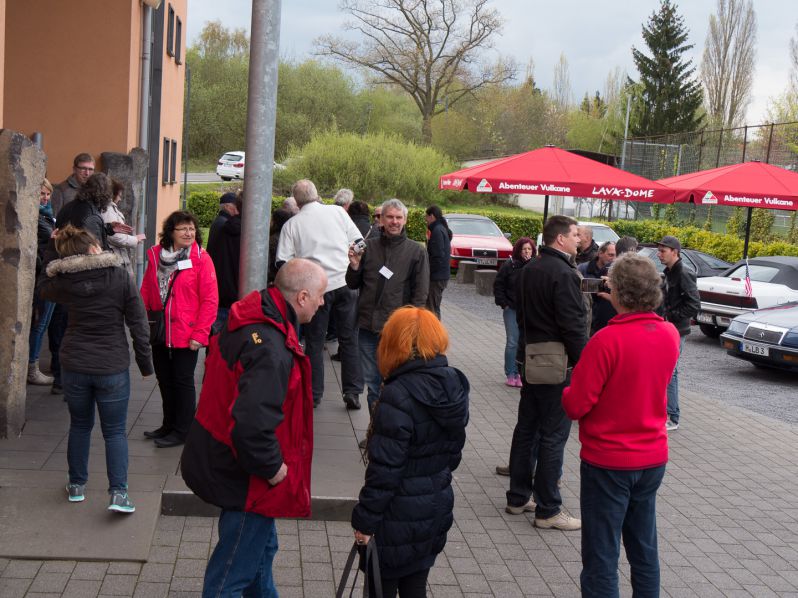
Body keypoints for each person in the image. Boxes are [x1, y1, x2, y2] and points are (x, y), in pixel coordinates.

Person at [181, 258, 327, 598]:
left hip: (226, 461)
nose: (323, 302)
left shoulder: (253, 318)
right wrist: (273, 469)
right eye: (320, 295)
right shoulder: (271, 349)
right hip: (248, 478)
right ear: (302, 297)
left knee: (260, 553)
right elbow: (251, 425)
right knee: (231, 574)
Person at [562, 253, 680, 597]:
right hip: (652, 457)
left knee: (601, 553)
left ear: (619, 292)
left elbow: (576, 404)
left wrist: (567, 388)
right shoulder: (669, 334)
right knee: (644, 548)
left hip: (608, 461)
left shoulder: (605, 342)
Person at [352, 306, 469, 598]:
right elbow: (453, 455)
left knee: (381, 587)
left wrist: (365, 522)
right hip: (434, 509)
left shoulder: (397, 393)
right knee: (416, 585)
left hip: (395, 517)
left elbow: (384, 471)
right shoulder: (454, 383)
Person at [39, 225, 153, 512]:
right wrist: (145, 363)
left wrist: (54, 250)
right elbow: (138, 322)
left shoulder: (64, 280)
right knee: (114, 431)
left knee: (79, 425)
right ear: (93, 247)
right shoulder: (119, 276)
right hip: (111, 365)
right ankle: (118, 494)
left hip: (75, 364)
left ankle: (76, 485)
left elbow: (42, 285)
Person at [505, 215, 585, 531]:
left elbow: (521, 316)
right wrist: (585, 362)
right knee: (553, 434)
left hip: (529, 356)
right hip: (556, 363)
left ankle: (518, 496)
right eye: (575, 234)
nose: (579, 239)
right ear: (560, 239)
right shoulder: (564, 273)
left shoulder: (529, 269)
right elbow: (573, 325)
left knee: (527, 429)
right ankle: (549, 509)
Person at [276, 179, 364, 410]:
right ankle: (352, 392)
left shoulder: (292, 225)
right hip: (345, 282)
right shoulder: (337, 212)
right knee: (349, 339)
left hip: (315, 289)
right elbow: (360, 243)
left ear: (296, 200)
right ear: (316, 194)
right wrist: (349, 258)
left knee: (315, 342)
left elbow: (282, 262)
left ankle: (314, 393)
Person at [140, 211, 218, 448]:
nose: (189, 233)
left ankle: (183, 430)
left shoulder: (201, 259)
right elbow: (146, 290)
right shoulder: (155, 256)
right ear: (170, 232)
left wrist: (200, 334)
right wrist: (142, 323)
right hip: (160, 330)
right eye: (183, 228)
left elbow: (210, 300)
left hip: (187, 332)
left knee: (183, 381)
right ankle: (168, 424)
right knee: (164, 379)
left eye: (192, 229)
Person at [346, 198, 430, 412]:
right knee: (373, 384)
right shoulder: (369, 247)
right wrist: (354, 266)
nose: (394, 221)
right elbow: (352, 283)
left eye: (398, 217)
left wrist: (413, 329)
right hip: (367, 327)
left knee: (394, 383)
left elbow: (420, 296)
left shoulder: (416, 251)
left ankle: (390, 431)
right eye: (390, 217)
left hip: (397, 330)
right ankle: (374, 433)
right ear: (381, 220)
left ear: (405, 220)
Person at [657, 235, 700, 432]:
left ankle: (673, 417)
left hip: (677, 328)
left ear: (675, 252)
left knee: (671, 371)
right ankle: (665, 413)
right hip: (668, 326)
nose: (659, 254)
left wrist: (672, 316)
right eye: (659, 250)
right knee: (665, 370)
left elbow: (694, 304)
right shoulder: (669, 272)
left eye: (663, 251)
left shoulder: (684, 272)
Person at [493, 237, 536, 388]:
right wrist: (503, 303)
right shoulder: (509, 265)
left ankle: (521, 373)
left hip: (528, 310)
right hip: (511, 308)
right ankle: (510, 373)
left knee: (524, 342)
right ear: (518, 250)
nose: (526, 252)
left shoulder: (535, 266)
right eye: (524, 249)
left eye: (529, 249)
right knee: (513, 341)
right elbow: (498, 285)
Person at [54, 172, 133, 251]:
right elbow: (94, 250)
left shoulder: (70, 206)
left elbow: (79, 231)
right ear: (105, 194)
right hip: (80, 259)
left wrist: (108, 228)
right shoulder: (92, 216)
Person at [28, 178, 57, 386]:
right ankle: (31, 367)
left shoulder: (47, 214)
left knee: (43, 323)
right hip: (42, 275)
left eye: (47, 194)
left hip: (49, 273)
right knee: (39, 324)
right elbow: (51, 240)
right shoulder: (37, 217)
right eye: (41, 194)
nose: (45, 198)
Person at [208, 196, 243, 332]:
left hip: (219, 288)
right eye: (235, 206)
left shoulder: (219, 223)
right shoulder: (227, 226)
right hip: (228, 291)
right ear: (228, 207)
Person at [102, 179, 146, 278]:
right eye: (119, 196)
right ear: (113, 194)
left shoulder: (110, 209)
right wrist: (134, 239)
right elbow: (114, 237)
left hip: (117, 257)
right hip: (115, 258)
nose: (120, 199)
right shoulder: (108, 211)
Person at [578, 241, 617, 336]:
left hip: (605, 322)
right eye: (611, 255)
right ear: (600, 253)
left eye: (616, 255)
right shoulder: (583, 268)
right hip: (586, 318)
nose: (614, 259)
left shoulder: (617, 271)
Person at [425, 205, 453, 319]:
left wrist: (428, 273)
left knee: (432, 308)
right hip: (441, 275)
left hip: (437, 277)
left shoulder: (437, 230)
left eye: (426, 217)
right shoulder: (441, 228)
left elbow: (437, 256)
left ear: (431, 216)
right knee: (434, 306)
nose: (426, 220)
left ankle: (434, 334)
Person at [205, 192, 238, 262]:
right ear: (227, 206)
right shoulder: (226, 223)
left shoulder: (220, 220)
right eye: (236, 205)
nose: (238, 207)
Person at [268, 209, 293, 285]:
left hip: (274, 278)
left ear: (276, 222)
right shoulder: (289, 236)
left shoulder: (273, 239)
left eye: (272, 219)